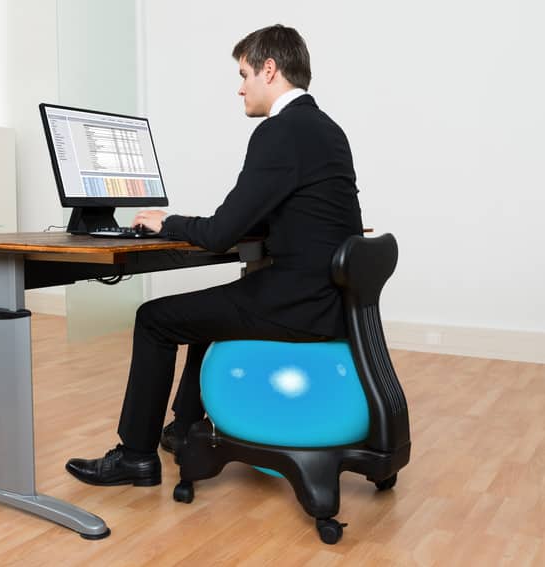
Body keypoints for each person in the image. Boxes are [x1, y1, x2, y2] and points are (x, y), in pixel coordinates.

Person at [65, 24, 364, 487]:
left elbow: (225, 230)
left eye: (245, 74)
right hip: (327, 298)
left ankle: (135, 457)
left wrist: (170, 223)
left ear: (270, 69)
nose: (240, 87)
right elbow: (271, 215)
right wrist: (204, 224)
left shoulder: (279, 132)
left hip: (298, 305)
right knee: (211, 309)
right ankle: (184, 426)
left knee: (153, 319)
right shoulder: (326, 128)